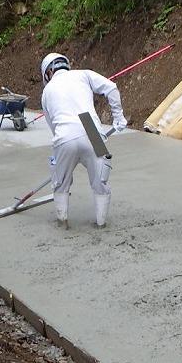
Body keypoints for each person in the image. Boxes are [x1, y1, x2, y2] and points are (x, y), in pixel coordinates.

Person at [40, 52, 127, 230]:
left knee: (60, 183)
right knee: (100, 181)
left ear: (48, 72)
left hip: (63, 133)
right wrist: (118, 117)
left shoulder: (46, 92)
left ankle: (62, 222)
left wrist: (64, 145)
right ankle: (101, 224)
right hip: (90, 127)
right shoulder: (83, 74)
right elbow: (111, 88)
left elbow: (53, 126)